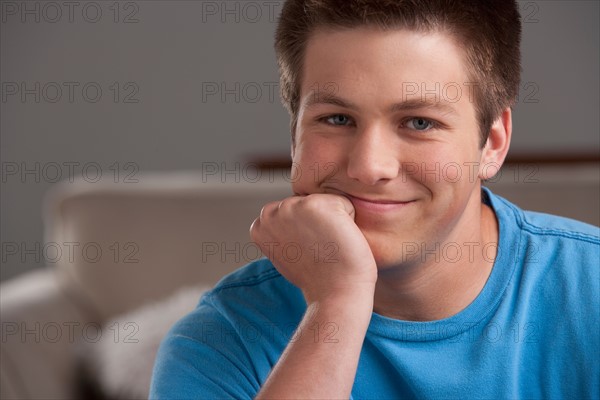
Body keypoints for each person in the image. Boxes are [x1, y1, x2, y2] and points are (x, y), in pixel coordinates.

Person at [150, 1, 600, 398]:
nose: (369, 166)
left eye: (419, 122)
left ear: (492, 144)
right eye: (337, 118)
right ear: (294, 139)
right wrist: (337, 304)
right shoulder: (218, 341)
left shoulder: (590, 292)